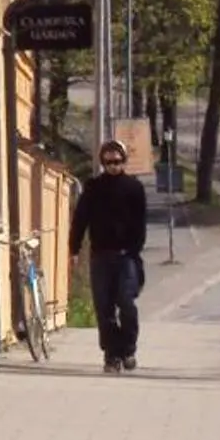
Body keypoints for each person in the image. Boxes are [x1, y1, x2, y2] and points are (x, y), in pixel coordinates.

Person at [70, 136, 148, 372]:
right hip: (100, 255)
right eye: (108, 162)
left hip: (126, 256)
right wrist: (74, 249)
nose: (113, 166)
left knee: (126, 303)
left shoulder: (134, 188)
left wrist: (135, 251)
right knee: (104, 308)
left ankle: (128, 350)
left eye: (117, 161)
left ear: (124, 161)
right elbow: (80, 219)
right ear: (103, 162)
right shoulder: (94, 187)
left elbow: (141, 223)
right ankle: (111, 355)